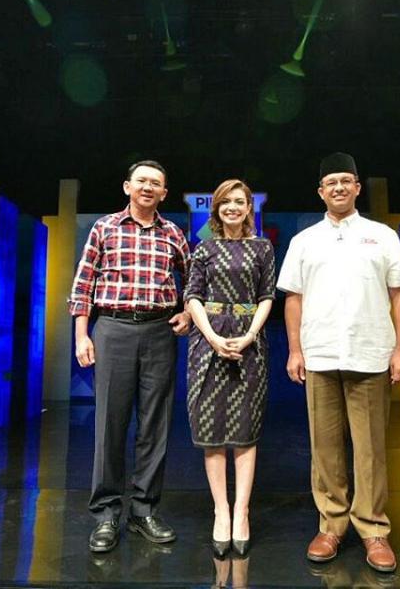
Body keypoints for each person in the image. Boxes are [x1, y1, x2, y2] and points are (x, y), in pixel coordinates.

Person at [277, 152, 400, 572]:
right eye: (331, 182)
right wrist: (295, 350)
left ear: (357, 187)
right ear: (320, 192)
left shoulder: (381, 236)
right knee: (325, 448)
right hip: (320, 355)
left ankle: (373, 529)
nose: (338, 187)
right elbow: (293, 299)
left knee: (371, 448)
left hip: (370, 354)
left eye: (346, 181)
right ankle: (331, 526)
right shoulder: (304, 241)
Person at [69, 160, 191, 553]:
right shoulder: (104, 227)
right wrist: (81, 336)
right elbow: (83, 284)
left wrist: (188, 313)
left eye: (156, 183)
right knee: (110, 422)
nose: (148, 187)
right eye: (141, 181)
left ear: (164, 193)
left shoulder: (173, 233)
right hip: (113, 328)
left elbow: (192, 281)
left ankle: (144, 511)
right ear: (127, 187)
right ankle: (106, 514)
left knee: (155, 424)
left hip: (159, 331)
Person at [185, 179, 275, 558]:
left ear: (249, 208)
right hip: (208, 342)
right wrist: (212, 337)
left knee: (245, 430)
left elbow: (267, 295)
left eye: (239, 201)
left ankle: (242, 512)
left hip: (250, 342)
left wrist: (250, 334)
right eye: (226, 202)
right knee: (211, 430)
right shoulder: (204, 248)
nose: (232, 207)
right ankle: (221, 512)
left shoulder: (262, 247)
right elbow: (192, 296)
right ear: (217, 208)